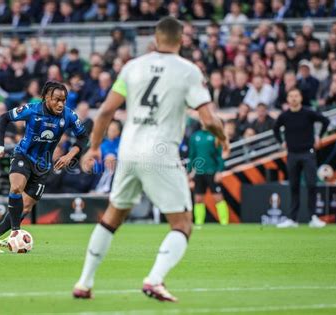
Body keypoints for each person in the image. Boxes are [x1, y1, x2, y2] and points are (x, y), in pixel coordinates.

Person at [73, 17, 226, 302]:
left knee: (112, 217)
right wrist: (224, 138)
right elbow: (208, 119)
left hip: (128, 151)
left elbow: (105, 111)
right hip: (160, 152)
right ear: (181, 41)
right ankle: (155, 280)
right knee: (182, 224)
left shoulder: (133, 67)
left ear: (155, 39)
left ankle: (84, 282)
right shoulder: (188, 71)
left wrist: (94, 147)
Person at [0, 81, 88, 253]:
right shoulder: (32, 109)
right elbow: (4, 118)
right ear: (47, 97)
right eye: (57, 100)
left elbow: (83, 138)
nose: (61, 103)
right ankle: (15, 232)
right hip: (23, 155)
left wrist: (69, 155)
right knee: (16, 187)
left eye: (64, 100)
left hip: (43, 166)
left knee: (25, 207)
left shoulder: (68, 116)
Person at [273, 88, 330, 228]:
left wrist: (319, 136)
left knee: (311, 184)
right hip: (292, 154)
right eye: (291, 96)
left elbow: (325, 121)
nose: (293, 98)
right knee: (294, 186)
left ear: (300, 97)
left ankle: (313, 217)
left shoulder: (308, 113)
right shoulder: (284, 116)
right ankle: (293, 219)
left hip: (307, 153)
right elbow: (275, 129)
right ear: (287, 99)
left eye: (296, 96)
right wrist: (281, 142)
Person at [187, 126, 229, 226]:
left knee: (218, 197)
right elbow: (192, 155)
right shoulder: (195, 136)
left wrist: (219, 171)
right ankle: (199, 222)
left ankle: (224, 222)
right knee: (198, 198)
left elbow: (220, 155)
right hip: (199, 172)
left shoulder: (215, 136)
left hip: (212, 171)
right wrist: (189, 171)